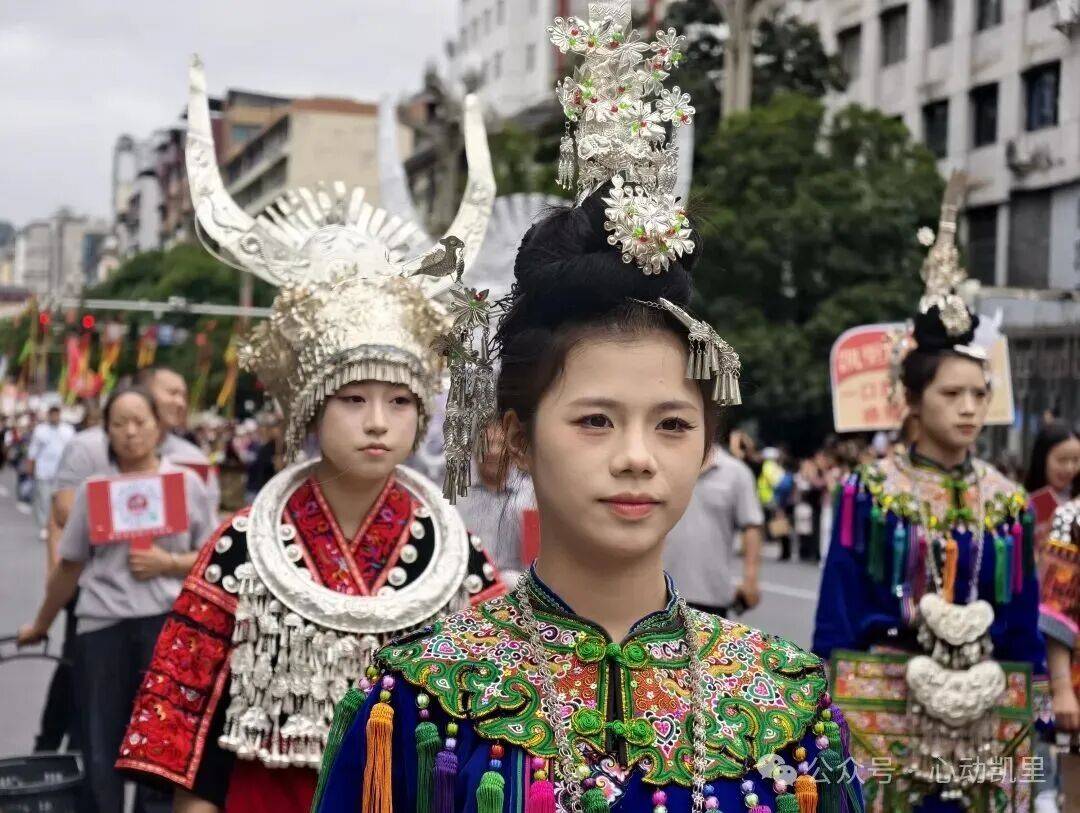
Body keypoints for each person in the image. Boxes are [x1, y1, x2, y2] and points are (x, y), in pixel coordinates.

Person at [316, 6, 862, 811]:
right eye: (595, 420)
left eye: (673, 423)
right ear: (517, 437)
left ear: (708, 440)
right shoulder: (417, 699)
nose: (638, 455)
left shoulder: (787, 705)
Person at [112, 55, 502, 813]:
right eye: (353, 398)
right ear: (308, 409)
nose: (379, 421)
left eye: (400, 400)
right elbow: (187, 734)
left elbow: (496, 726)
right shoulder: (240, 547)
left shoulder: (456, 559)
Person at [812, 173, 1045, 811]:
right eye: (951, 394)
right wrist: (826, 691)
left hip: (990, 704)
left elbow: (1021, 611)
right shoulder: (872, 488)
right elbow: (842, 599)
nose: (969, 409)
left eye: (979, 394)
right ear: (912, 401)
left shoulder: (1006, 499)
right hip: (884, 699)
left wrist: (1040, 692)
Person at [18, 386, 214, 812]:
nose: (130, 433)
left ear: (158, 427)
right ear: (105, 431)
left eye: (140, 421)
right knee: (98, 744)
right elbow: (69, 567)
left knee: (160, 749)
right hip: (100, 629)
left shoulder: (186, 486)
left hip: (165, 630)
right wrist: (41, 623)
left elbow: (211, 555)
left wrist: (167, 561)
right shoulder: (95, 491)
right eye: (118, 423)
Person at [664, 437, 764, 617]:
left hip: (711, 596)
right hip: (658, 596)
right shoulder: (660, 467)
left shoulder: (736, 473)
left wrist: (750, 579)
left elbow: (751, 526)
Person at [452, 423, 537, 582]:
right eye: (486, 444)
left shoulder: (531, 497)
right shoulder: (456, 497)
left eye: (500, 444)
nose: (493, 451)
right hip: (468, 585)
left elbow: (534, 560)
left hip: (514, 589)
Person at [26, 405, 74, 539]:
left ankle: (62, 527)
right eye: (52, 414)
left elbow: (73, 450)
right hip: (44, 471)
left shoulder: (68, 430)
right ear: (49, 415)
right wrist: (30, 466)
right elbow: (33, 450)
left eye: (56, 413)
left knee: (62, 500)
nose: (54, 416)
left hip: (63, 472)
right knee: (44, 500)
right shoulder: (41, 430)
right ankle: (44, 526)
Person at [1025, 421, 1080, 504]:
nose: (1069, 468)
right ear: (1041, 459)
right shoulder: (1021, 502)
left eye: (1075, 460)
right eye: (1062, 460)